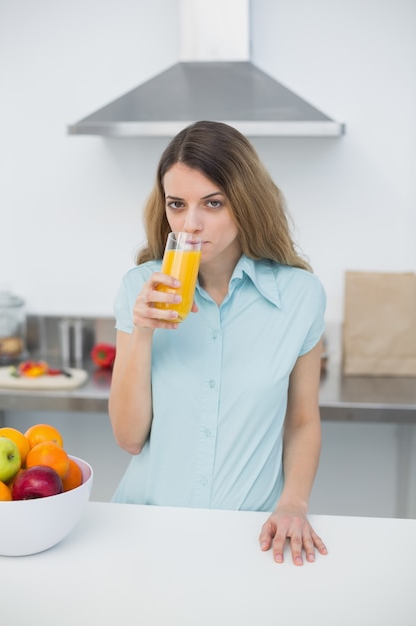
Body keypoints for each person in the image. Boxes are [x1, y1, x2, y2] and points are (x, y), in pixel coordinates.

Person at [109, 120, 328, 566]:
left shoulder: (301, 296)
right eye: (177, 204)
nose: (191, 224)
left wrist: (294, 503)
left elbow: (302, 419)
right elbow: (129, 439)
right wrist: (142, 331)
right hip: (145, 530)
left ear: (244, 202)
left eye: (213, 203)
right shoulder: (140, 288)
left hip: (249, 539)